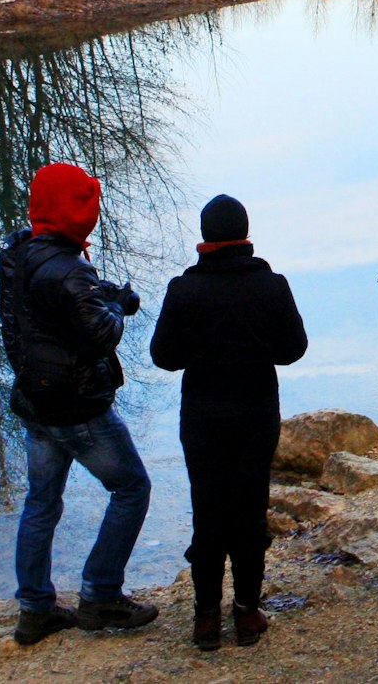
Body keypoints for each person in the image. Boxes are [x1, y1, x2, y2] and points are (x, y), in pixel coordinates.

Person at [0, 162, 160, 646]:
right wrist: (114, 306)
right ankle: (100, 594)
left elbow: (53, 304)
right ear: (76, 214)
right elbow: (102, 332)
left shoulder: (20, 251)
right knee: (131, 488)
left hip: (35, 401)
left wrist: (101, 292)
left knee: (41, 502)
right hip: (76, 406)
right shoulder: (68, 268)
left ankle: (34, 608)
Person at [151, 194, 308, 651]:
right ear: (245, 235)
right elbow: (293, 349)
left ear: (205, 237)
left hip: (203, 416)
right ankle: (246, 613)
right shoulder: (271, 285)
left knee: (208, 512)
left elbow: (164, 357)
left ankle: (205, 619)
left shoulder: (184, 289)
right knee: (250, 510)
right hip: (257, 412)